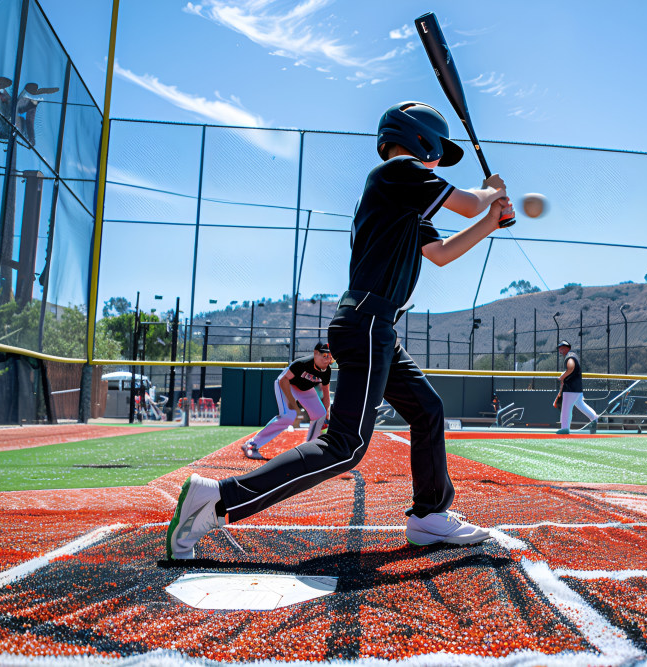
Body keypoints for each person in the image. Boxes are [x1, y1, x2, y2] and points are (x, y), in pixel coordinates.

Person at [166, 101, 513, 559]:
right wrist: (488, 194)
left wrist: (489, 222)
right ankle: (218, 497)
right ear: (419, 140)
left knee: (427, 409)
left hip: (375, 325)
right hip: (368, 323)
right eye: (435, 153)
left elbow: (442, 252)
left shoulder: (402, 195)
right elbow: (467, 203)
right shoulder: (398, 171)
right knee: (344, 447)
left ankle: (430, 516)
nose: (435, 162)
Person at [240, 343, 333, 460]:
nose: (328, 358)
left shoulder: (327, 371)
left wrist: (326, 414)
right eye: (324, 355)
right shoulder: (302, 363)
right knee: (288, 416)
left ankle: (309, 449)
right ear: (315, 354)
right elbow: (284, 381)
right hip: (286, 385)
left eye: (330, 356)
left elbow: (326, 393)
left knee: (320, 414)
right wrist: (292, 403)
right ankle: (251, 444)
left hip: (304, 389)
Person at [554, 340, 598, 434]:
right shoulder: (573, 355)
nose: (560, 351)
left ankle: (565, 428)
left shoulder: (569, 357)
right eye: (559, 349)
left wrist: (562, 376)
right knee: (581, 405)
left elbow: (571, 367)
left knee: (566, 408)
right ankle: (594, 418)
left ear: (567, 348)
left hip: (570, 389)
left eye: (561, 348)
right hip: (577, 388)